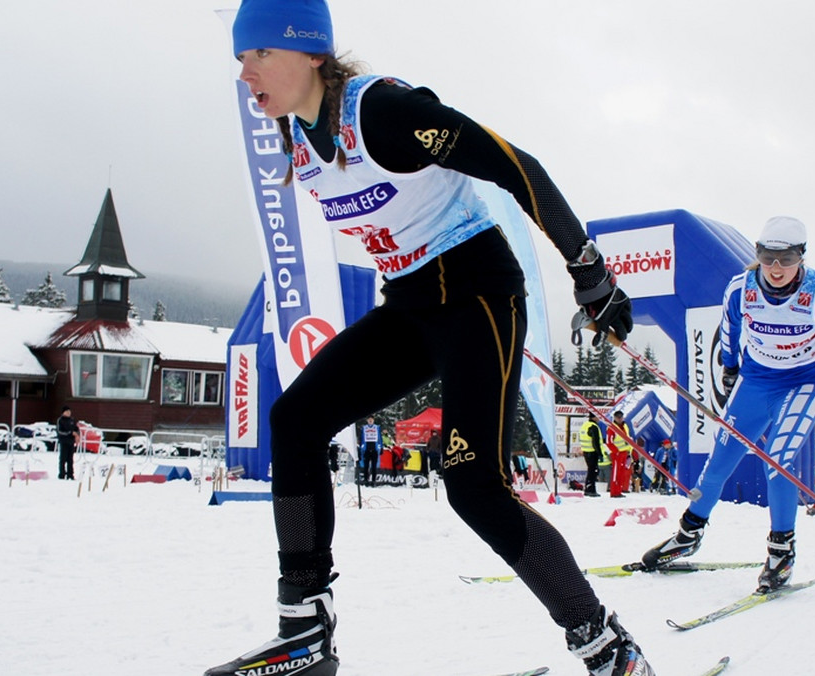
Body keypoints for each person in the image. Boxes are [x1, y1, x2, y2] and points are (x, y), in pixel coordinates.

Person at [206, 2, 642, 675]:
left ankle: (604, 646)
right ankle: (305, 629)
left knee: (473, 486)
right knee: (295, 418)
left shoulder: (382, 114)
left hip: (476, 296)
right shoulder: (299, 141)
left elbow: (512, 164)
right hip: (411, 306)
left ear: (308, 52)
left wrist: (589, 269)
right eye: (240, 58)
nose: (244, 72)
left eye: (257, 53)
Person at [637, 216, 815, 594]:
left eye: (786, 258)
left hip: (801, 384)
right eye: (768, 257)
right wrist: (730, 367)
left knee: (778, 462)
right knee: (717, 465)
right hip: (755, 383)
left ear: (801, 256)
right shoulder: (742, 289)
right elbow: (730, 328)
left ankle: (781, 551)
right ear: (758, 255)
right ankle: (688, 534)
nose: (776, 268)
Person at [606, 411, 634, 498]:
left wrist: (629, 450)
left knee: (622, 473)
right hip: (617, 453)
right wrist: (616, 451)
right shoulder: (612, 428)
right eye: (617, 417)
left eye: (621, 417)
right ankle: (614, 492)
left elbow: (628, 438)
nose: (619, 419)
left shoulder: (625, 426)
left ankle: (619, 490)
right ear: (614, 418)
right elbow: (609, 442)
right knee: (616, 473)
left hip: (625, 452)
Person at [578, 412, 603, 497]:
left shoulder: (585, 425)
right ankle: (590, 489)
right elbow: (595, 442)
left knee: (591, 470)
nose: (599, 418)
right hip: (592, 452)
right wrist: (600, 454)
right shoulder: (594, 427)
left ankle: (589, 488)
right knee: (593, 471)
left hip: (586, 451)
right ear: (594, 417)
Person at [55, 405, 79, 481]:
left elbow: (76, 429)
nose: (69, 413)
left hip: (71, 442)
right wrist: (70, 433)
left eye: (69, 411)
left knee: (70, 459)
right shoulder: (60, 420)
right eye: (67, 411)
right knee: (63, 459)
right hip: (64, 441)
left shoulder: (72, 420)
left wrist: (77, 435)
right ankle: (62, 474)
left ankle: (70, 474)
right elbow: (60, 431)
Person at [360, 417, 380, 486]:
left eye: (371, 420)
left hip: (374, 449)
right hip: (366, 450)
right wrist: (361, 447)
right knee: (366, 466)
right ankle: (366, 480)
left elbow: (379, 438)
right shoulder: (364, 428)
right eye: (369, 420)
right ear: (367, 420)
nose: (370, 421)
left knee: (374, 466)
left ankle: (373, 480)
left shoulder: (377, 427)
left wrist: (381, 447)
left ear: (373, 420)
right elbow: (361, 438)